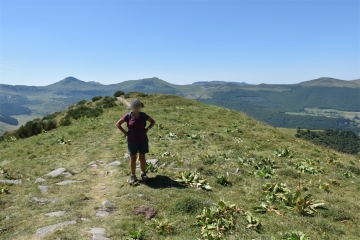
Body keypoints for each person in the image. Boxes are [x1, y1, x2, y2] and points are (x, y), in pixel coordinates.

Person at [115, 99, 155, 185]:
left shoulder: (144, 115)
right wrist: (126, 133)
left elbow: (153, 121)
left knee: (142, 157)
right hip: (132, 141)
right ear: (131, 107)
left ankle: (143, 174)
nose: (136, 107)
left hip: (143, 140)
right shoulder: (128, 116)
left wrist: (147, 129)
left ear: (140, 107)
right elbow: (118, 124)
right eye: (134, 106)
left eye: (137, 105)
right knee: (133, 159)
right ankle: (133, 176)